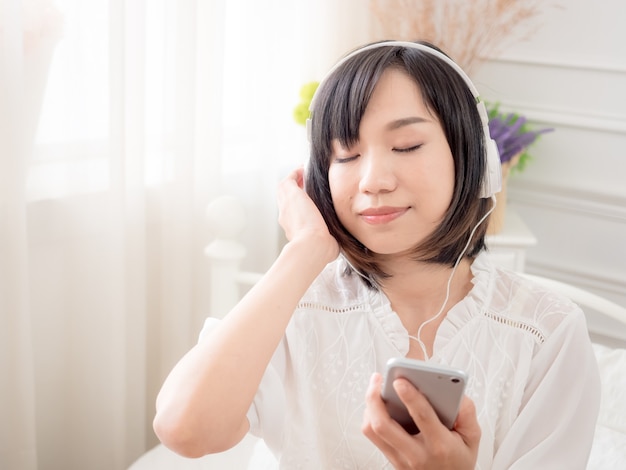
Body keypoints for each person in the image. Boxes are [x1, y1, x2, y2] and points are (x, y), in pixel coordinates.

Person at [153, 40, 600, 469]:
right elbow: (184, 430)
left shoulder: (546, 332)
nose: (372, 180)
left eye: (406, 146)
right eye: (345, 154)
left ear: (473, 159)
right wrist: (306, 250)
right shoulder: (292, 307)